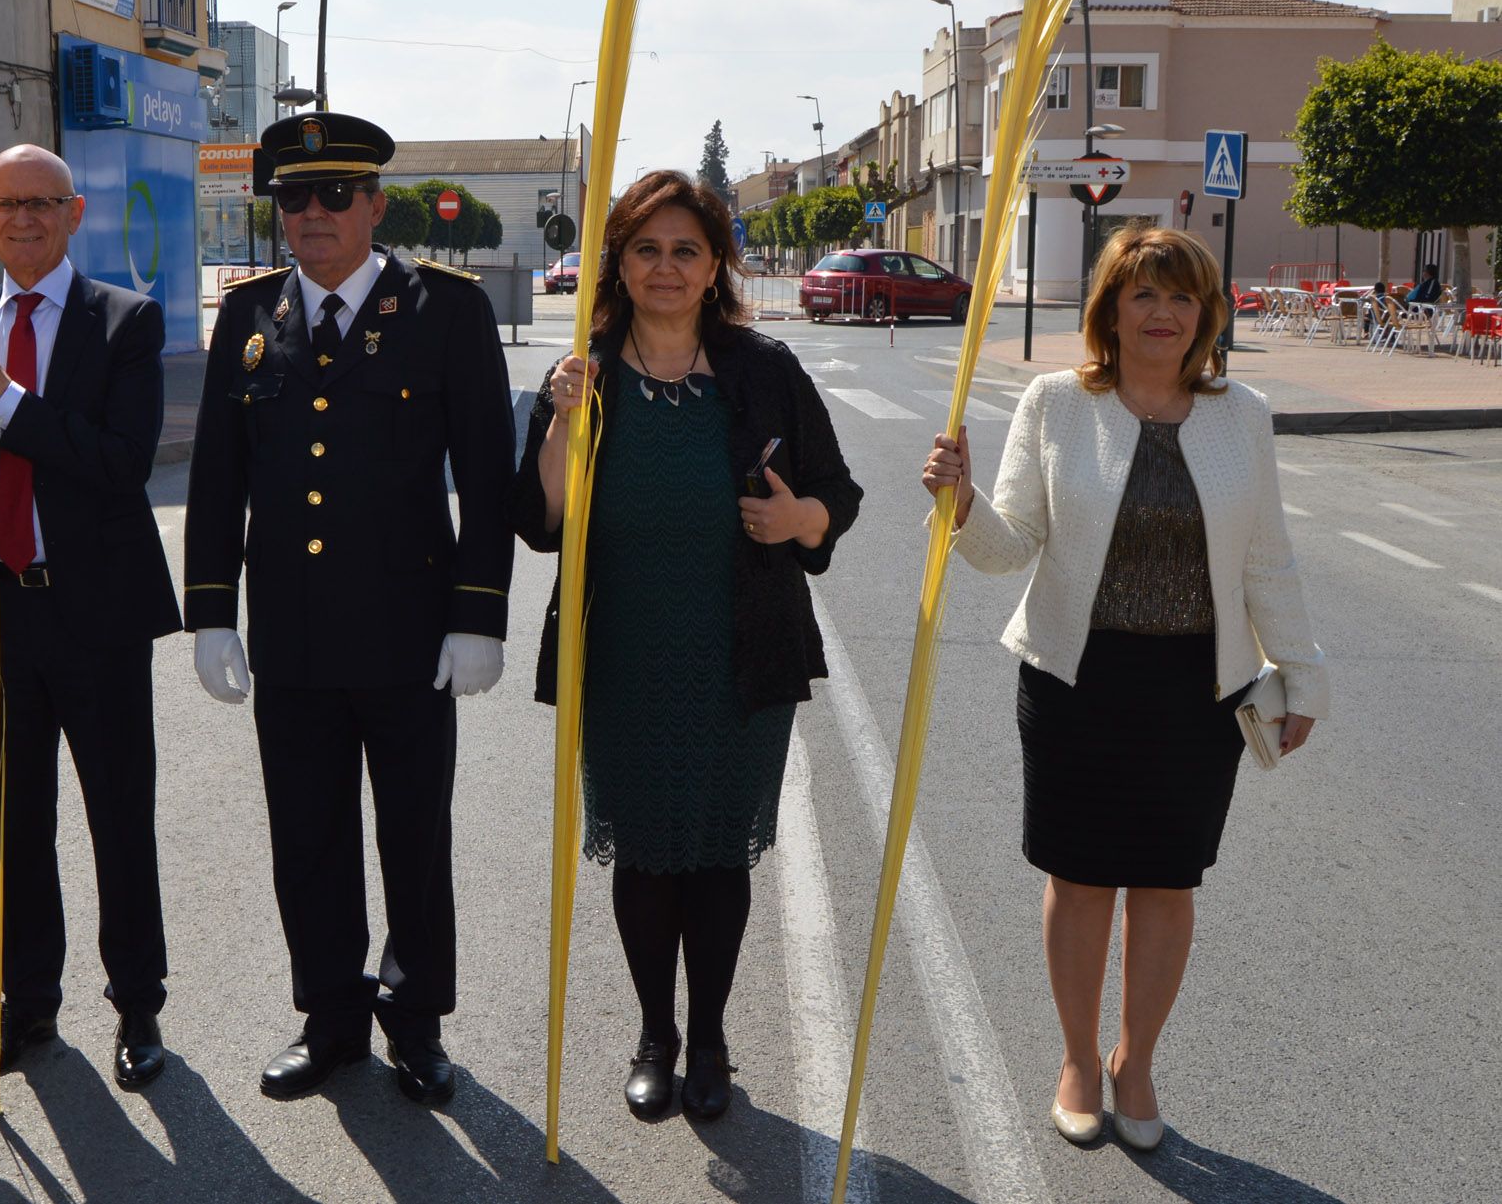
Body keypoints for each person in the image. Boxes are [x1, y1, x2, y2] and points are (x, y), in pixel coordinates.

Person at [920, 225, 1328, 1152]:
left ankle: (1134, 1059)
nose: (1164, 313)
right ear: (1110, 309)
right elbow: (1010, 546)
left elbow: (1269, 559)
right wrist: (963, 502)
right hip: (1077, 678)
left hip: (1199, 689)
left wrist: (1301, 675)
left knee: (1167, 882)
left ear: (1207, 314)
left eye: (1182, 296)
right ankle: (1074, 1057)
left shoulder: (1242, 413)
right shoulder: (1057, 403)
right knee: (1082, 877)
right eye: (1143, 294)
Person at [508, 170, 862, 1121]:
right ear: (618, 262)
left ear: (715, 268)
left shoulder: (765, 371)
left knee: (715, 856)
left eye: (686, 250)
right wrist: (562, 424)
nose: (666, 267)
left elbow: (841, 496)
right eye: (646, 249)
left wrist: (799, 519)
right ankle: (653, 1032)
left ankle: (709, 1035)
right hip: (620, 654)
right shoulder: (581, 372)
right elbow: (541, 520)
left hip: (740, 657)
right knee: (645, 856)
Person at [184, 112, 516, 1107]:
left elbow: (486, 477)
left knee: (412, 835)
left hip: (411, 632)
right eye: (293, 196)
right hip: (290, 635)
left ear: (375, 204)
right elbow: (215, 476)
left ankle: (414, 1021)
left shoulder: (444, 310)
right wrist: (210, 610)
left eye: (335, 194)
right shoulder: (248, 315)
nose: (313, 212)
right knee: (307, 834)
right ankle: (329, 1017)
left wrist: (478, 613)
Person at [0, 144, 181, 1089]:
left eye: (43, 204)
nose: (23, 220)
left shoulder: (124, 322)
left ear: (73, 216)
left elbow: (120, 463)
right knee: (13, 823)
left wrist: (7, 401)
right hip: (0, 614)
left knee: (118, 816)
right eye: (6, 204)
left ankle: (138, 1005)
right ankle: (28, 1006)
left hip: (96, 612)